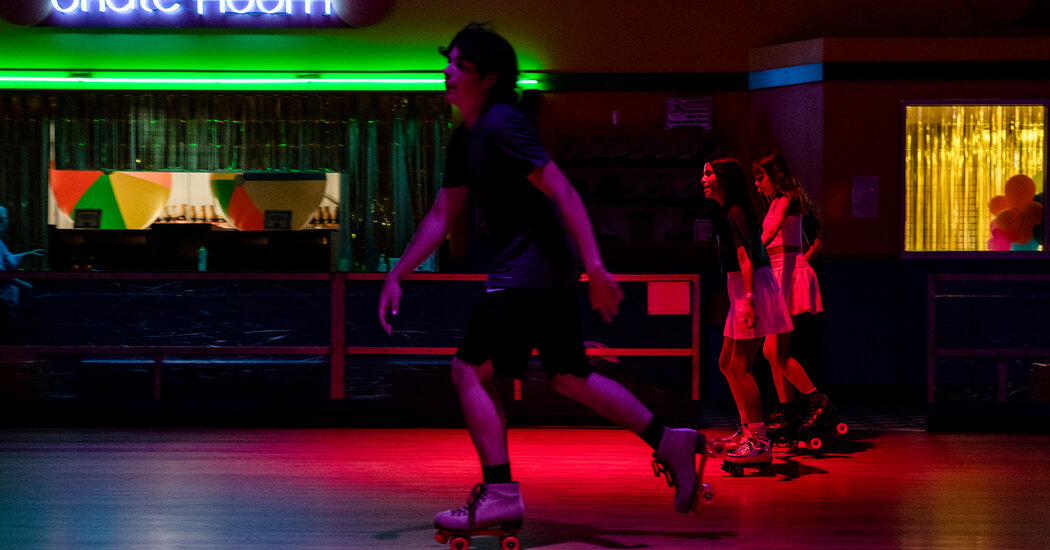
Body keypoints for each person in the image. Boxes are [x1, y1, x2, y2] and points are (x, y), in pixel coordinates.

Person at [377, 23, 715, 536]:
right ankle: (670, 441)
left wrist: (597, 267)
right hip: (540, 270)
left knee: (468, 371)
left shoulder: (502, 125)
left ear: (489, 79)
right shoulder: (464, 138)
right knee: (568, 376)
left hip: (528, 271)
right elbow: (442, 216)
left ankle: (500, 494)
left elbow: (565, 192)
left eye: (459, 65)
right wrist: (397, 272)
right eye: (449, 63)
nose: (447, 72)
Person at [703, 156, 792, 474]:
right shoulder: (727, 212)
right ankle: (747, 429)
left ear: (724, 179)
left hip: (751, 289)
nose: (704, 179)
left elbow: (746, 261)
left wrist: (750, 300)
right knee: (726, 363)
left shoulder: (736, 214)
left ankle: (759, 441)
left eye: (709, 173)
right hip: (741, 290)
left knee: (741, 367)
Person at [751, 151, 836, 445]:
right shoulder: (776, 202)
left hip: (787, 275)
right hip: (779, 273)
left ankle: (817, 401)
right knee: (774, 350)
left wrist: (747, 252)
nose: (758, 185)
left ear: (774, 175)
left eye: (760, 178)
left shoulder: (787, 200)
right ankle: (789, 410)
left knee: (773, 351)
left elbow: (772, 233)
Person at [0, 205, 45, 344]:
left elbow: (8, 259)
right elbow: (1, 272)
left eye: (4, 219)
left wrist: (28, 254)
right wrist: (24, 284)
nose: (4, 222)